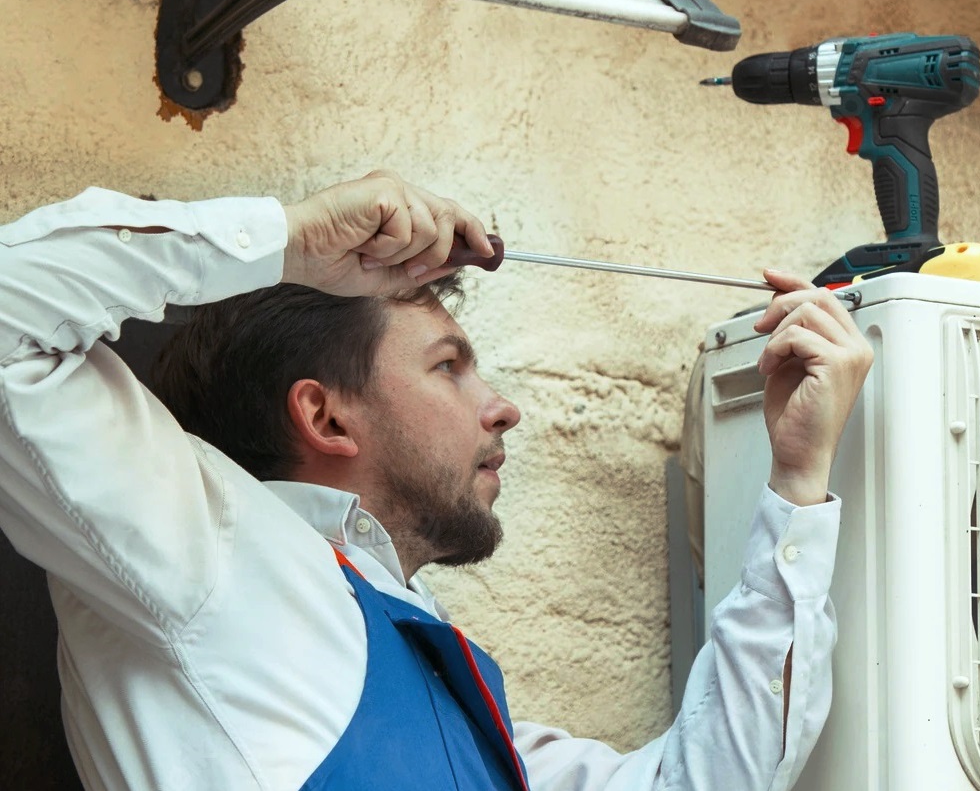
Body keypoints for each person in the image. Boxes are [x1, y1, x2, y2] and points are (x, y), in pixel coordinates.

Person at [0, 170, 873, 791]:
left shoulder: (449, 691)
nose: (501, 409)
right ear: (326, 417)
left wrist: (795, 481)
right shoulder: (207, 548)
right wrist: (288, 239)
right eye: (449, 366)